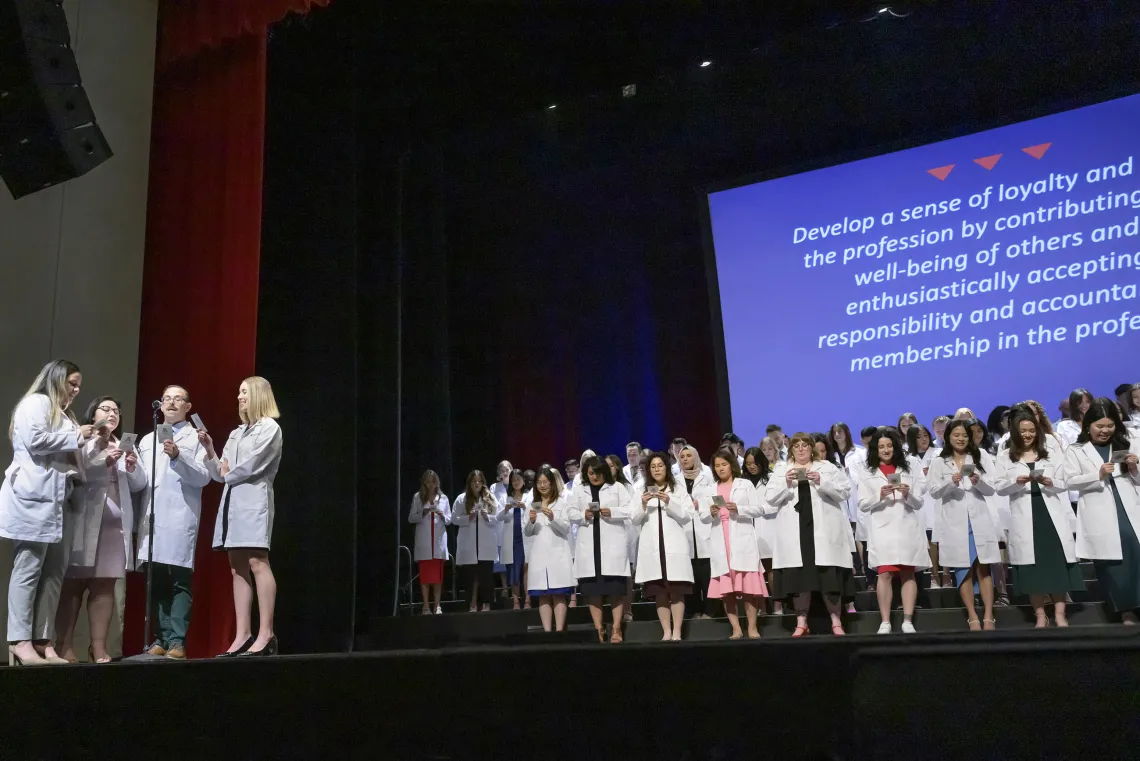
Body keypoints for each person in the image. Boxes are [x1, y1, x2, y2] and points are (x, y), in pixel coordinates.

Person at [2, 360, 92, 666]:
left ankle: (42, 641)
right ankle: (19, 640)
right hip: (34, 498)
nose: (76, 391)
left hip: (61, 500)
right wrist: (78, 434)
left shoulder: (65, 415)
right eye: (72, 384)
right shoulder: (35, 403)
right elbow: (37, 441)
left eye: (79, 385)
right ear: (55, 379)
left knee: (54, 573)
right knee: (28, 568)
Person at [55, 396, 145, 663]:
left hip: (114, 528)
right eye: (105, 409)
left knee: (105, 586)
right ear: (92, 415)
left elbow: (140, 484)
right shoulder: (81, 440)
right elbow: (73, 472)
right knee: (73, 585)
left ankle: (99, 647)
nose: (112, 413)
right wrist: (103, 461)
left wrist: (132, 467)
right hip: (84, 520)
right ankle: (65, 645)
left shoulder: (125, 444)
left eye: (116, 410)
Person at [202, 376, 284, 657]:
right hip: (232, 502)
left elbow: (250, 466)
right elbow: (219, 472)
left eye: (244, 392)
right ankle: (243, 634)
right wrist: (211, 451)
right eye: (239, 392)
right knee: (237, 565)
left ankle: (266, 632)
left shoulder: (269, 428)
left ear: (259, 395)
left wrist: (227, 472)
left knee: (257, 561)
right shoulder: (237, 433)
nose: (239, 397)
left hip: (253, 499)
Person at [136, 385, 212, 660]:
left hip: (180, 515)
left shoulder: (196, 437)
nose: (170, 403)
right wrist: (131, 469)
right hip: (152, 516)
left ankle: (177, 641)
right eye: (166, 398)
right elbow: (142, 482)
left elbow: (204, 476)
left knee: (179, 580)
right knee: (155, 581)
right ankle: (162, 637)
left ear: (188, 406)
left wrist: (179, 456)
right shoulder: (147, 440)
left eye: (177, 399)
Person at [996, 411, 1083, 627]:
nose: (1027, 435)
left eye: (1032, 431)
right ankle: (1040, 615)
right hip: (1025, 517)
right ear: (1015, 433)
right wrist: (1017, 482)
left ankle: (1060, 614)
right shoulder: (1005, 456)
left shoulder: (1050, 453)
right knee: (1031, 569)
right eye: (1023, 431)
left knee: (1056, 565)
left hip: (1050, 515)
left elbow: (1066, 482)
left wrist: (1049, 481)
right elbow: (999, 487)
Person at [766, 432, 856, 637]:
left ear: (811, 448)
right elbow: (770, 498)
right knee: (800, 578)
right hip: (796, 532)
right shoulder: (782, 469)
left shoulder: (826, 467)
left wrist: (821, 482)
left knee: (828, 577)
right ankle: (801, 622)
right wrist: (786, 484)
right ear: (791, 450)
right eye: (796, 446)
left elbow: (844, 492)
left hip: (823, 530)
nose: (800, 449)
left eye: (804, 445)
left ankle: (836, 621)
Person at [1065, 398, 1140, 624]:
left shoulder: (1129, 442)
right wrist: (1096, 475)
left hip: (1128, 506)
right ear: (1088, 425)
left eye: (1110, 426)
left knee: (1134, 549)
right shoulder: (1076, 450)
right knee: (1110, 562)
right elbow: (1069, 481)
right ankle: (1125, 609)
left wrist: (1135, 467)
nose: (1105, 431)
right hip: (1099, 509)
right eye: (1100, 426)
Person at [928, 419, 1001, 630]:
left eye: (965, 435)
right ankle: (972, 615)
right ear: (948, 437)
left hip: (978, 518)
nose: (961, 439)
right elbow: (934, 492)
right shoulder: (939, 461)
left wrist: (978, 481)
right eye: (956, 435)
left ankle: (988, 614)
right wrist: (951, 482)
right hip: (955, 521)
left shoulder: (981, 456)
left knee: (983, 568)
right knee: (963, 570)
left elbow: (991, 489)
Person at [858, 427, 929, 634]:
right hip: (882, 528)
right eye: (881, 446)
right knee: (885, 573)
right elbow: (862, 504)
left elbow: (919, 502)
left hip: (906, 525)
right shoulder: (867, 471)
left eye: (889, 445)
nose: (886, 450)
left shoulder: (911, 466)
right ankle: (885, 621)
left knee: (908, 572)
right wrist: (879, 495)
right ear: (875, 449)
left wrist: (908, 494)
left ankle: (907, 620)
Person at [704, 449, 767, 639]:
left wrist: (739, 508)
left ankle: (752, 627)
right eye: (717, 465)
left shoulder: (745, 484)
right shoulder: (710, 489)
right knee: (727, 590)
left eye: (724, 464)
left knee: (749, 588)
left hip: (741, 538)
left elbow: (759, 509)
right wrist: (711, 512)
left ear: (731, 465)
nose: (721, 468)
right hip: (720, 539)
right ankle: (736, 628)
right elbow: (702, 517)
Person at [569, 455, 633, 642]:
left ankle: (616, 628)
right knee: (592, 591)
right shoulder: (580, 490)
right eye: (590, 473)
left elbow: (631, 509)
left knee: (615, 590)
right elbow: (570, 512)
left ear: (605, 472)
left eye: (598, 473)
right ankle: (599, 629)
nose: (595, 477)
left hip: (612, 546)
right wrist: (584, 514)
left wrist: (613, 512)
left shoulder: (617, 487)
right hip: (589, 547)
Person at [633, 452, 694, 641]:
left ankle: (677, 631)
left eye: (660, 466)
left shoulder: (678, 490)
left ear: (666, 468)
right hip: (652, 548)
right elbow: (633, 519)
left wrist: (669, 502)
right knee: (659, 592)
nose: (657, 469)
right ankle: (666, 631)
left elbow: (687, 515)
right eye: (653, 466)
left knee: (676, 591)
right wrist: (642, 505)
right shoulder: (641, 491)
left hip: (673, 546)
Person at [525, 467, 574, 631]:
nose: (542, 485)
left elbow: (566, 528)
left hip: (558, 553)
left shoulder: (562, 503)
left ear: (552, 483)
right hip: (539, 554)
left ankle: (559, 631)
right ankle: (547, 632)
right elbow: (527, 532)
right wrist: (531, 521)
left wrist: (553, 517)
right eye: (539, 482)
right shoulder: (532, 505)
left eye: (545, 482)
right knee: (543, 596)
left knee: (559, 594)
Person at [453, 469, 502, 612]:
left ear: (483, 483)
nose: (476, 484)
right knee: (470, 577)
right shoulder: (462, 498)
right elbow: (454, 519)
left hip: (486, 544)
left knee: (486, 576)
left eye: (479, 481)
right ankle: (472, 604)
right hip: (469, 544)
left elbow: (499, 517)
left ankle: (486, 603)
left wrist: (488, 517)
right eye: (474, 481)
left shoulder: (490, 498)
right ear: (469, 483)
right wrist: (468, 518)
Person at [678, 444, 717, 619]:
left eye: (689, 455)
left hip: (705, 529)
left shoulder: (707, 478)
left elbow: (714, 500)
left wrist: (699, 504)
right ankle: (694, 610)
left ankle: (710, 610)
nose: (685, 459)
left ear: (696, 457)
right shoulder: (675, 480)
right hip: (685, 531)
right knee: (690, 575)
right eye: (682, 456)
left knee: (707, 575)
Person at [908, 423, 947, 588]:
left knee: (941, 538)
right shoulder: (908, 458)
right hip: (919, 502)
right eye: (918, 437)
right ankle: (933, 575)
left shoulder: (938, 453)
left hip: (937, 500)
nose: (923, 439)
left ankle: (945, 575)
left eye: (925, 435)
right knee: (927, 539)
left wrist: (931, 474)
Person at [408, 469, 451, 615]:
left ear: (436, 482)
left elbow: (450, 520)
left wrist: (442, 514)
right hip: (425, 542)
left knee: (438, 577)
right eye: (427, 482)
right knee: (425, 576)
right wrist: (423, 513)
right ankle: (426, 605)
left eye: (433, 481)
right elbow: (411, 518)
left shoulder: (443, 498)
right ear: (424, 483)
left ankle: (437, 605)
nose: (430, 484)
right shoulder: (418, 497)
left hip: (438, 541)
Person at [743, 446, 780, 614]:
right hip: (748, 529)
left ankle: (777, 606)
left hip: (768, 528)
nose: (751, 466)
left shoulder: (772, 479)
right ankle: (762, 607)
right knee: (755, 571)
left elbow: (774, 505)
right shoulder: (742, 482)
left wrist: (758, 509)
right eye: (748, 463)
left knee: (771, 569)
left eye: (755, 463)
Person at [606, 453, 638, 623]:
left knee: (626, 575)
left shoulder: (626, 487)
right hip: (605, 537)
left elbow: (631, 511)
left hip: (625, 535)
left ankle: (627, 609)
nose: (608, 469)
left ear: (617, 467)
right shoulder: (599, 487)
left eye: (611, 465)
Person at [500, 468, 530, 609]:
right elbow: (498, 517)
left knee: (526, 568)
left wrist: (525, 507)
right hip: (511, 539)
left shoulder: (529, 495)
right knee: (513, 569)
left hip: (526, 537)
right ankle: (516, 601)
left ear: (523, 481)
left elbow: (534, 514)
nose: (516, 482)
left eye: (518, 479)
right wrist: (505, 509)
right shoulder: (506, 497)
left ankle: (528, 600)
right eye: (513, 480)